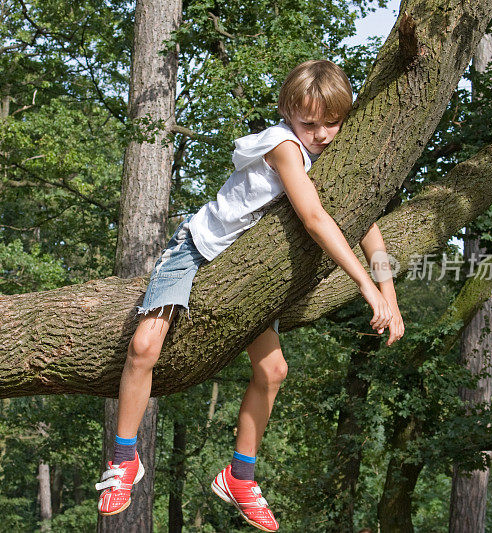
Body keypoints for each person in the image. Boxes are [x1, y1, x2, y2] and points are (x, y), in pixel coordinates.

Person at [95, 60, 405, 531]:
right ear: (288, 114)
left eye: (332, 123)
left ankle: (240, 476)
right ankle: (124, 459)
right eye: (309, 123)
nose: (320, 134)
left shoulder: (333, 162)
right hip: (197, 251)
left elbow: (372, 232)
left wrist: (390, 294)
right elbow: (315, 219)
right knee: (143, 348)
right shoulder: (283, 145)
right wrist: (364, 286)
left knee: (273, 370)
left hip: (243, 275)